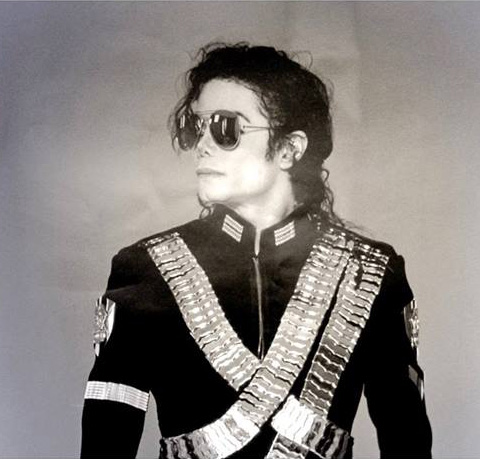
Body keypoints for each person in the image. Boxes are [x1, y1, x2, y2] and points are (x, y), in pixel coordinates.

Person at [81, 43, 432, 458]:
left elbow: (406, 438)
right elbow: (105, 443)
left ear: (289, 149)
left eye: (225, 127)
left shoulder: (368, 274)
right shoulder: (146, 270)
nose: (202, 145)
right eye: (197, 127)